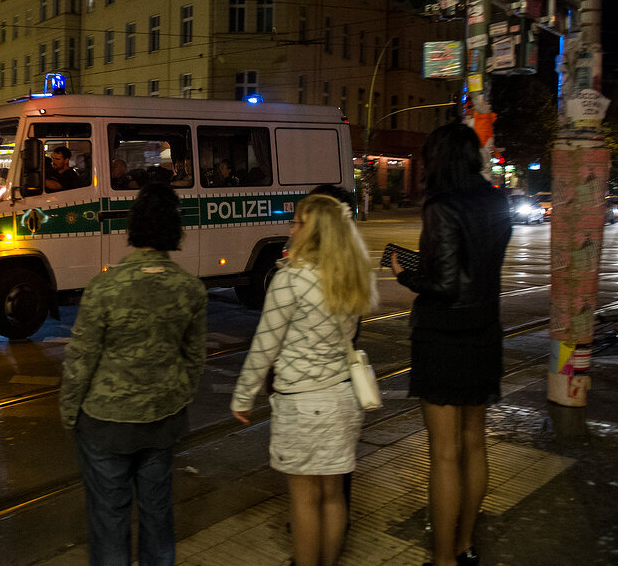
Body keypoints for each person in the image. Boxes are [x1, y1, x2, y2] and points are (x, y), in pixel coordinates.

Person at [60, 183, 207, 566]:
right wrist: (175, 399)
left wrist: (69, 412)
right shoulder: (190, 290)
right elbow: (194, 359)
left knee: (109, 518)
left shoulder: (104, 287)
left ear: (134, 228)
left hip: (104, 423)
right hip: (162, 421)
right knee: (158, 514)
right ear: (174, 231)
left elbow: (81, 359)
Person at [231, 193, 378, 566]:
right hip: (343, 401)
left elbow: (264, 347)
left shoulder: (291, 281)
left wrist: (243, 397)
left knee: (304, 500)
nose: (290, 228)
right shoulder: (349, 278)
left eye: (296, 222)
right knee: (332, 496)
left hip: (304, 404)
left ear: (312, 231)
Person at [390, 122, 511, 566]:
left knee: (443, 454)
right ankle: (464, 545)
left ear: (439, 159)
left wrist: (406, 275)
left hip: (443, 338)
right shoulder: (496, 200)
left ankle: (442, 559)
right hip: (484, 334)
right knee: (474, 445)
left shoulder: (441, 205)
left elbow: (443, 282)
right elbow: (476, 268)